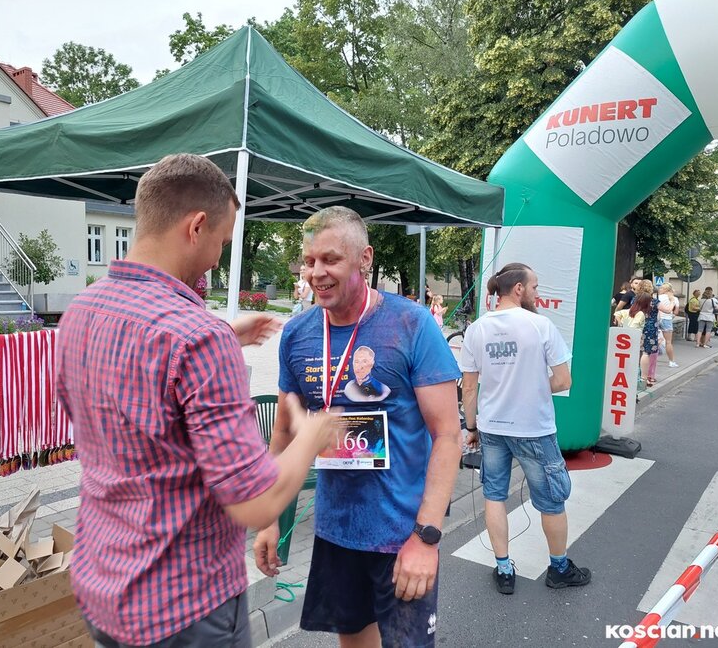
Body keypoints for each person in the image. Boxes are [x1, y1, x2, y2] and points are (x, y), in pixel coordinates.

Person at [56, 154, 339, 648]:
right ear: (196, 226)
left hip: (103, 584)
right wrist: (312, 436)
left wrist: (225, 337)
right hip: (183, 607)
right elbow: (255, 503)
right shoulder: (198, 338)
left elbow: (135, 392)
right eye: (221, 242)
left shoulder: (80, 311)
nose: (216, 259)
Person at [253, 206, 462, 648]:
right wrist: (269, 518)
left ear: (364, 259)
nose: (316, 273)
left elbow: (447, 434)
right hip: (336, 530)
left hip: (402, 534)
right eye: (309, 261)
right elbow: (284, 432)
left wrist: (426, 537)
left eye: (330, 259)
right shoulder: (298, 333)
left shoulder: (411, 324)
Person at [459, 263, 591, 595]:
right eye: (535, 287)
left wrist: (471, 426)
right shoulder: (540, 325)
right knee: (551, 500)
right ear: (518, 289)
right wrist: (531, 389)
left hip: (492, 427)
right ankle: (559, 568)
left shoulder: (476, 329)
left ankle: (504, 570)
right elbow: (564, 380)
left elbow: (469, 388)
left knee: (494, 495)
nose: (537, 293)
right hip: (533, 429)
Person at [656, 282, 679, 368]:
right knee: (668, 342)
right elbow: (676, 312)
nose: (659, 289)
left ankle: (652, 358)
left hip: (657, 319)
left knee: (655, 340)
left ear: (664, 289)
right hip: (667, 320)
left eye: (661, 288)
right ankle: (671, 361)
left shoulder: (658, 297)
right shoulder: (674, 299)